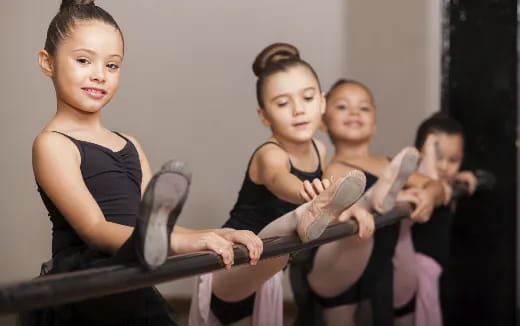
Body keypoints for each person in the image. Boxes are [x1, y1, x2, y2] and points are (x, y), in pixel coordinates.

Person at [24, 1, 263, 324]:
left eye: (112, 65)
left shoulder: (130, 144)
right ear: (47, 62)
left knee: (151, 233)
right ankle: (145, 253)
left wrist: (215, 234)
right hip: (89, 283)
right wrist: (180, 241)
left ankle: (149, 252)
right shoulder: (53, 144)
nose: (98, 75)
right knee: (119, 263)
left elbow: (151, 228)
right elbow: (95, 230)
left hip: (132, 277)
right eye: (83, 60)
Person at [190, 43, 372, 326]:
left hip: (268, 272)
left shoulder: (320, 150)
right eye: (283, 103)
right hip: (233, 264)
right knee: (298, 219)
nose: (299, 110)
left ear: (322, 102)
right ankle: (303, 216)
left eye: (308, 98)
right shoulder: (270, 154)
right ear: (264, 115)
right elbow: (279, 179)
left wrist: (351, 208)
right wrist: (305, 193)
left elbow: (330, 194)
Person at [296, 79, 445, 326]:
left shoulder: (391, 164)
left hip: (380, 267)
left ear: (375, 124)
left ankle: (381, 197)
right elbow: (332, 203)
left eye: (364, 108)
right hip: (337, 264)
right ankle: (374, 198)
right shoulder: (332, 168)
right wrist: (402, 197)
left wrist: (429, 195)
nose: (354, 112)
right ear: (323, 122)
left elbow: (434, 185)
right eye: (342, 107)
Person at [409, 112, 477, 325]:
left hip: (436, 264)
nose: (444, 166)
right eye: (437, 157)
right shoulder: (417, 179)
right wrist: (428, 159)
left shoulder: (445, 182)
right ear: (421, 153)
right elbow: (432, 183)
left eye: (453, 160)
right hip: (419, 265)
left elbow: (442, 182)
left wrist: (460, 177)